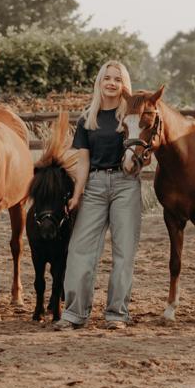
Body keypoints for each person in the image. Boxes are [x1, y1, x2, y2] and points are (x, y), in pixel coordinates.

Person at [56, 61, 141, 332]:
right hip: (94, 184)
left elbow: (143, 149)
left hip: (125, 184)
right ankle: (74, 313)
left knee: (123, 251)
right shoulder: (87, 118)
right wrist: (77, 194)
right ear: (100, 82)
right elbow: (83, 161)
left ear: (124, 85)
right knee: (80, 250)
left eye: (118, 79)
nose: (112, 83)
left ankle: (117, 314)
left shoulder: (130, 116)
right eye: (107, 78)